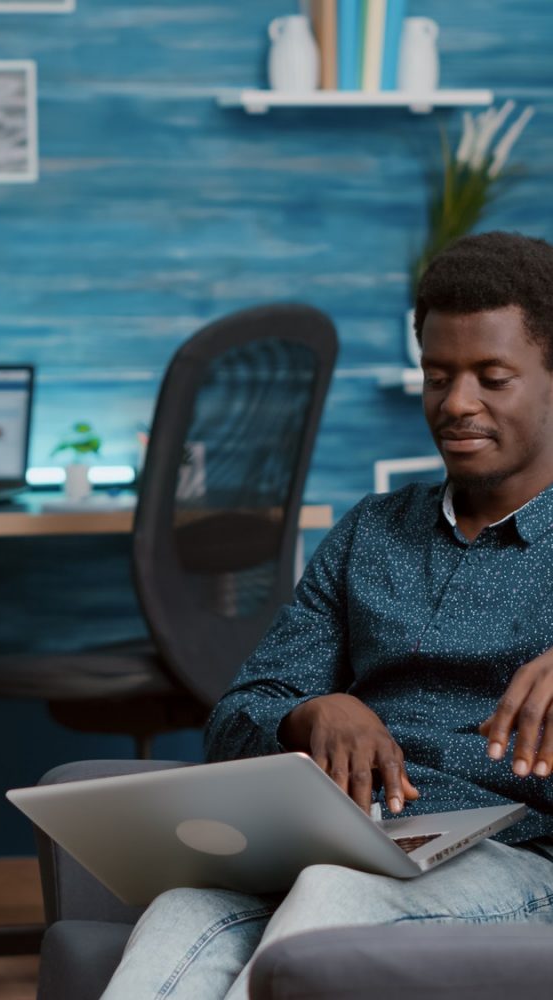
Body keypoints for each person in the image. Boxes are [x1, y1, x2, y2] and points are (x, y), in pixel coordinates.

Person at [99, 230, 553, 1000]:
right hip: (352, 837)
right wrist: (312, 712)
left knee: (332, 898)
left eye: (492, 377)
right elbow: (238, 716)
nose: (456, 403)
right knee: (186, 910)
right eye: (437, 376)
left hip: (519, 858)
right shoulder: (371, 533)